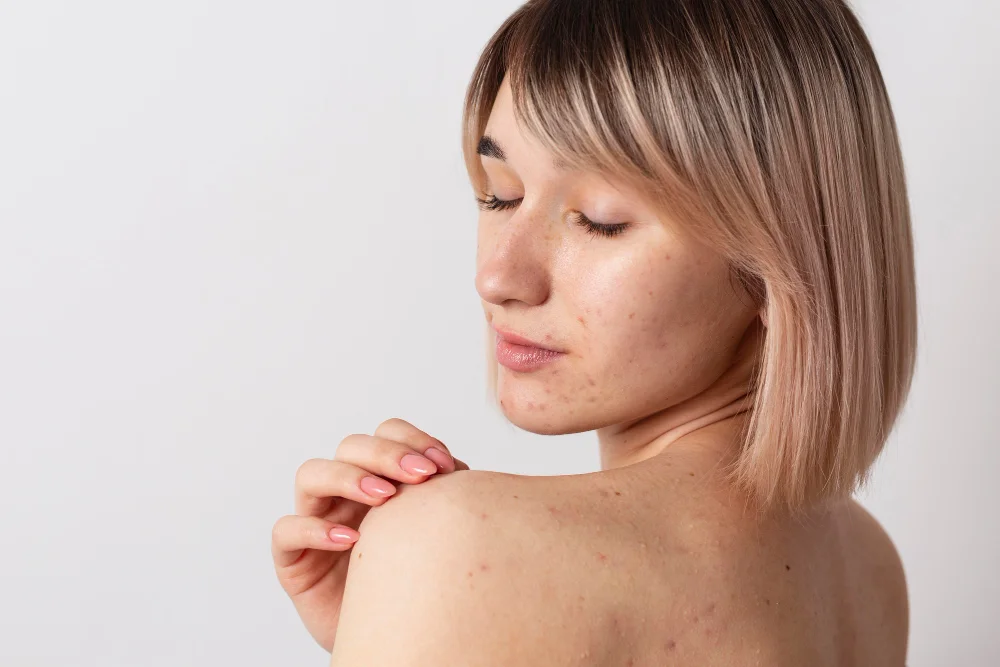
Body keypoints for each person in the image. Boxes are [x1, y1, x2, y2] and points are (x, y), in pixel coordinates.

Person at [271, 0, 917, 663]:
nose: (498, 276)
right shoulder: (865, 566)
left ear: (782, 260)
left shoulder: (456, 546)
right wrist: (384, 623)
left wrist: (421, 589)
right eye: (501, 194)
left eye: (600, 219)